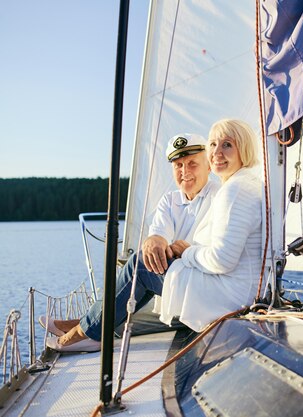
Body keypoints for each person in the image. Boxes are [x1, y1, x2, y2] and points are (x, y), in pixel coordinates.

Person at [45, 119, 262, 350]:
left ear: (207, 165)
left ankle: (85, 332)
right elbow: (159, 234)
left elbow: (221, 258)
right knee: (127, 306)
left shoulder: (227, 192)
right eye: (178, 165)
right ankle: (87, 325)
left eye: (192, 164)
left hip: (221, 292)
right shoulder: (189, 196)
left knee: (138, 271)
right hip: (214, 284)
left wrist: (186, 251)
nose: (185, 171)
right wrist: (154, 241)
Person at [158, 119, 263, 331]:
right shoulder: (246, 183)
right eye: (213, 144)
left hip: (229, 295)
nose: (216, 152)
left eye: (227, 145)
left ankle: (90, 334)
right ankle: (94, 329)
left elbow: (222, 260)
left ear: (244, 149)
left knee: (139, 266)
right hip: (242, 289)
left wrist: (187, 253)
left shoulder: (234, 190)